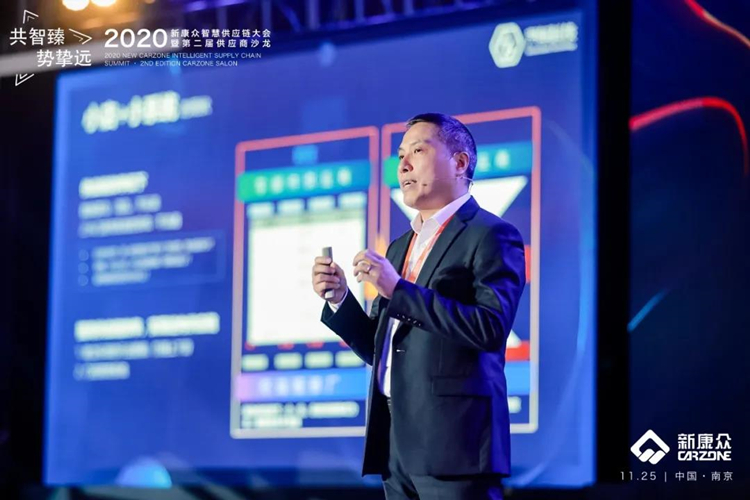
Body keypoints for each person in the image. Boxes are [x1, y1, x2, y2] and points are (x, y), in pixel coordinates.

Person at [311, 113, 526, 500]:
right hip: (396, 444)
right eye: (400, 155)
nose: (403, 165)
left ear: (460, 163)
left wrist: (397, 290)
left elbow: (490, 328)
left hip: (455, 446)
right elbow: (381, 349)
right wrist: (341, 299)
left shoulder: (492, 235)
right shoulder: (399, 247)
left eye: (418, 151)